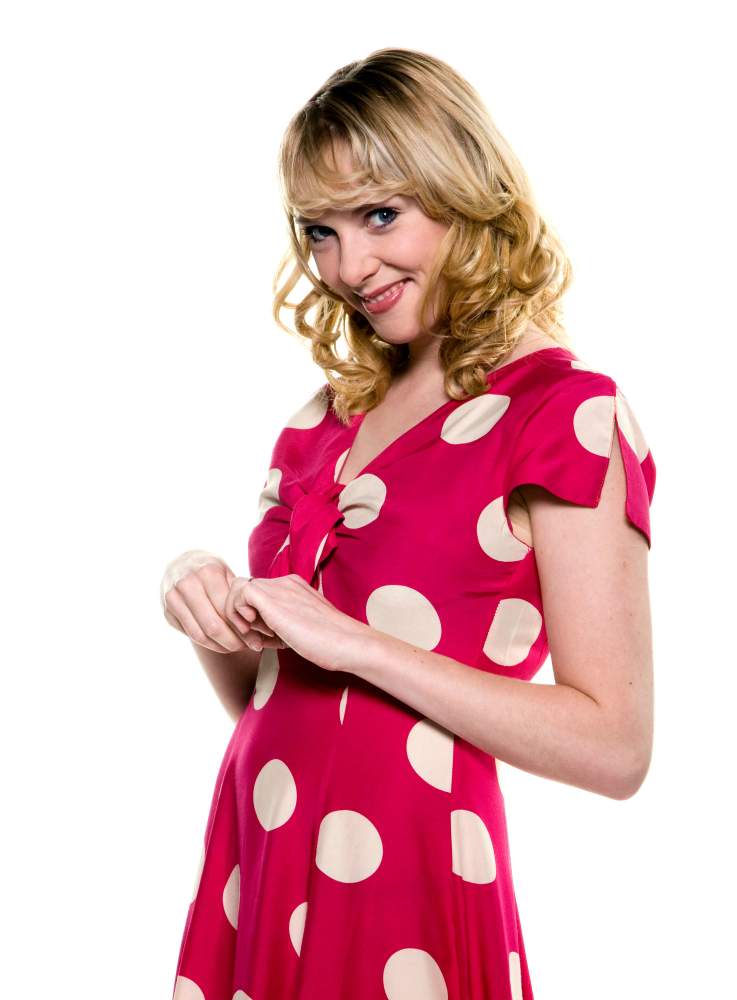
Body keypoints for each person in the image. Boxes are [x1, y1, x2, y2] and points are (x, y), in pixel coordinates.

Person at [162, 47, 656, 1000]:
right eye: (320, 230)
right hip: (261, 853)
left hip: (410, 879)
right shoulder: (325, 418)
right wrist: (203, 600)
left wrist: (359, 646)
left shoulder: (562, 414)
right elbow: (283, 700)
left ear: (463, 189)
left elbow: (614, 748)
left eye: (380, 215)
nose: (348, 267)